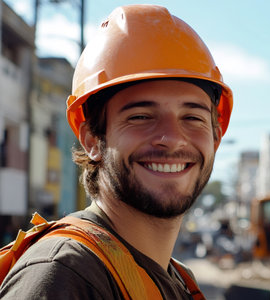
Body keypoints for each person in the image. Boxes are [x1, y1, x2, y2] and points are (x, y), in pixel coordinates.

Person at [0, 4, 232, 299]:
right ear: (92, 140)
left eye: (193, 117)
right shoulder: (63, 274)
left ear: (215, 137)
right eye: (140, 116)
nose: (173, 139)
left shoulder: (177, 280)